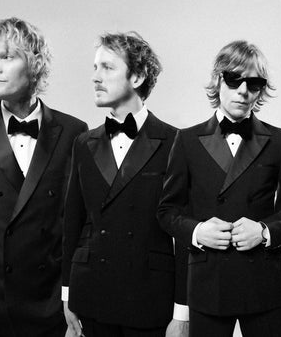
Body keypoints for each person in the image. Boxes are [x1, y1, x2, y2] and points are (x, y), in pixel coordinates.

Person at [157, 40, 281, 337]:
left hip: (264, 282)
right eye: (234, 79)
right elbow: (167, 211)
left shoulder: (279, 140)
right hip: (207, 282)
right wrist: (197, 231)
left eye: (253, 84)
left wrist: (264, 232)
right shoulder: (187, 141)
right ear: (218, 80)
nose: (243, 91)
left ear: (260, 91)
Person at [0, 17, 87, 336]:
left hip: (48, 306)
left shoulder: (73, 132)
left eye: (6, 57)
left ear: (35, 64)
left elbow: (78, 225)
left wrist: (71, 297)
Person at [62, 32, 188, 337]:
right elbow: (72, 222)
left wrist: (182, 312)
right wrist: (67, 293)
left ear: (138, 76)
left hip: (150, 296)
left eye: (107, 67)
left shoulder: (175, 142)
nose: (95, 77)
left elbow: (185, 234)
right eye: (95, 68)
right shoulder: (84, 143)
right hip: (91, 292)